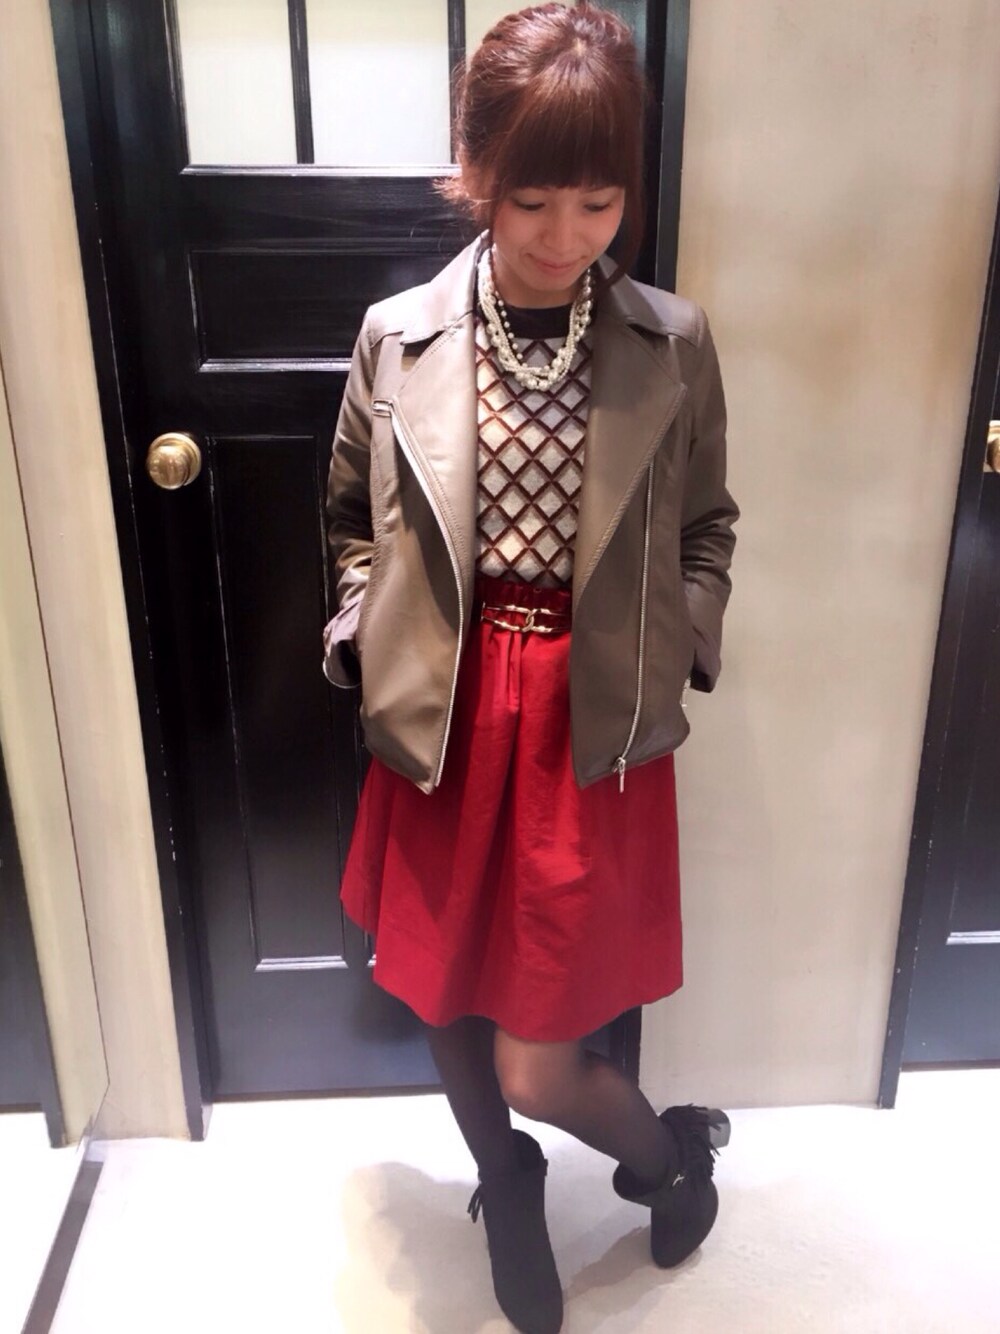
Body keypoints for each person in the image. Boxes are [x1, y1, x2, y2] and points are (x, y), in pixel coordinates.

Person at [323, 5, 739, 1331]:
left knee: (540, 1056)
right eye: (532, 200)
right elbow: (351, 520)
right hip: (446, 709)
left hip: (588, 718)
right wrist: (362, 631)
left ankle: (671, 1157)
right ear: (475, 175)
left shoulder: (673, 342)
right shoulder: (397, 336)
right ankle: (504, 1177)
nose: (566, 237)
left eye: (599, 203)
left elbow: (709, 527)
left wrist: (678, 640)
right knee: (441, 976)